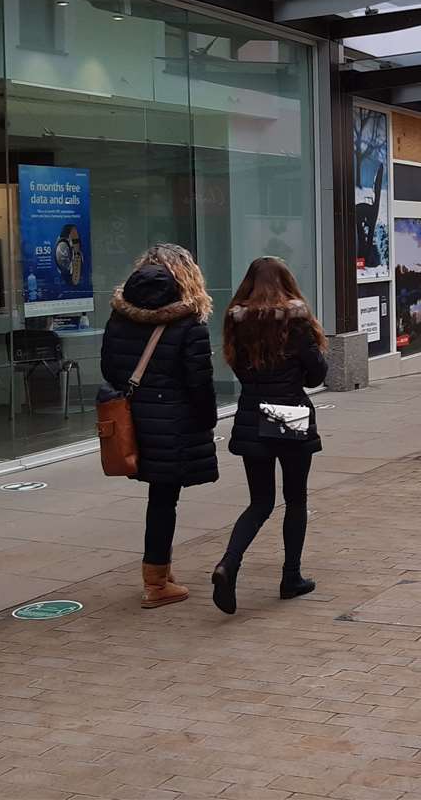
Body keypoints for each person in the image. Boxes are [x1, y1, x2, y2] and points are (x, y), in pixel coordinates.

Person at [100, 244, 218, 609]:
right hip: (175, 422)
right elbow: (200, 382)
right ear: (186, 274)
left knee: (160, 497)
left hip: (136, 420)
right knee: (165, 499)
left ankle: (160, 572)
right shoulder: (189, 322)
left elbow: (109, 368)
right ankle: (155, 582)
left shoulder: (120, 316)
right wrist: (206, 420)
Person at [211, 257, 329, 613]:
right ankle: (290, 577)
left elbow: (237, 367)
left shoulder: (237, 323)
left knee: (260, 501)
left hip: (252, 412)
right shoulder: (297, 323)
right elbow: (316, 374)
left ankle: (228, 563)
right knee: (295, 499)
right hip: (288, 413)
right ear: (286, 284)